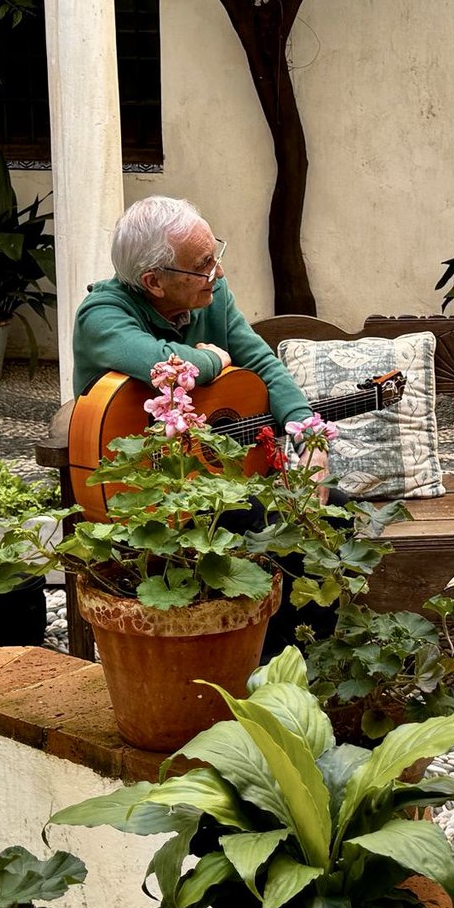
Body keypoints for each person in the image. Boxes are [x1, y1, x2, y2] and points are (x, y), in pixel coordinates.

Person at [72, 195, 331, 653]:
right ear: (153, 281)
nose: (220, 273)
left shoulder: (212, 295)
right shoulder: (102, 316)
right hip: (141, 489)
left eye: (216, 255)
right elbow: (165, 365)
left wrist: (307, 431)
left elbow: (261, 363)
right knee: (267, 524)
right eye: (204, 264)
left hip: (208, 478)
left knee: (331, 512)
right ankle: (256, 666)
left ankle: (300, 661)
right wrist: (210, 359)